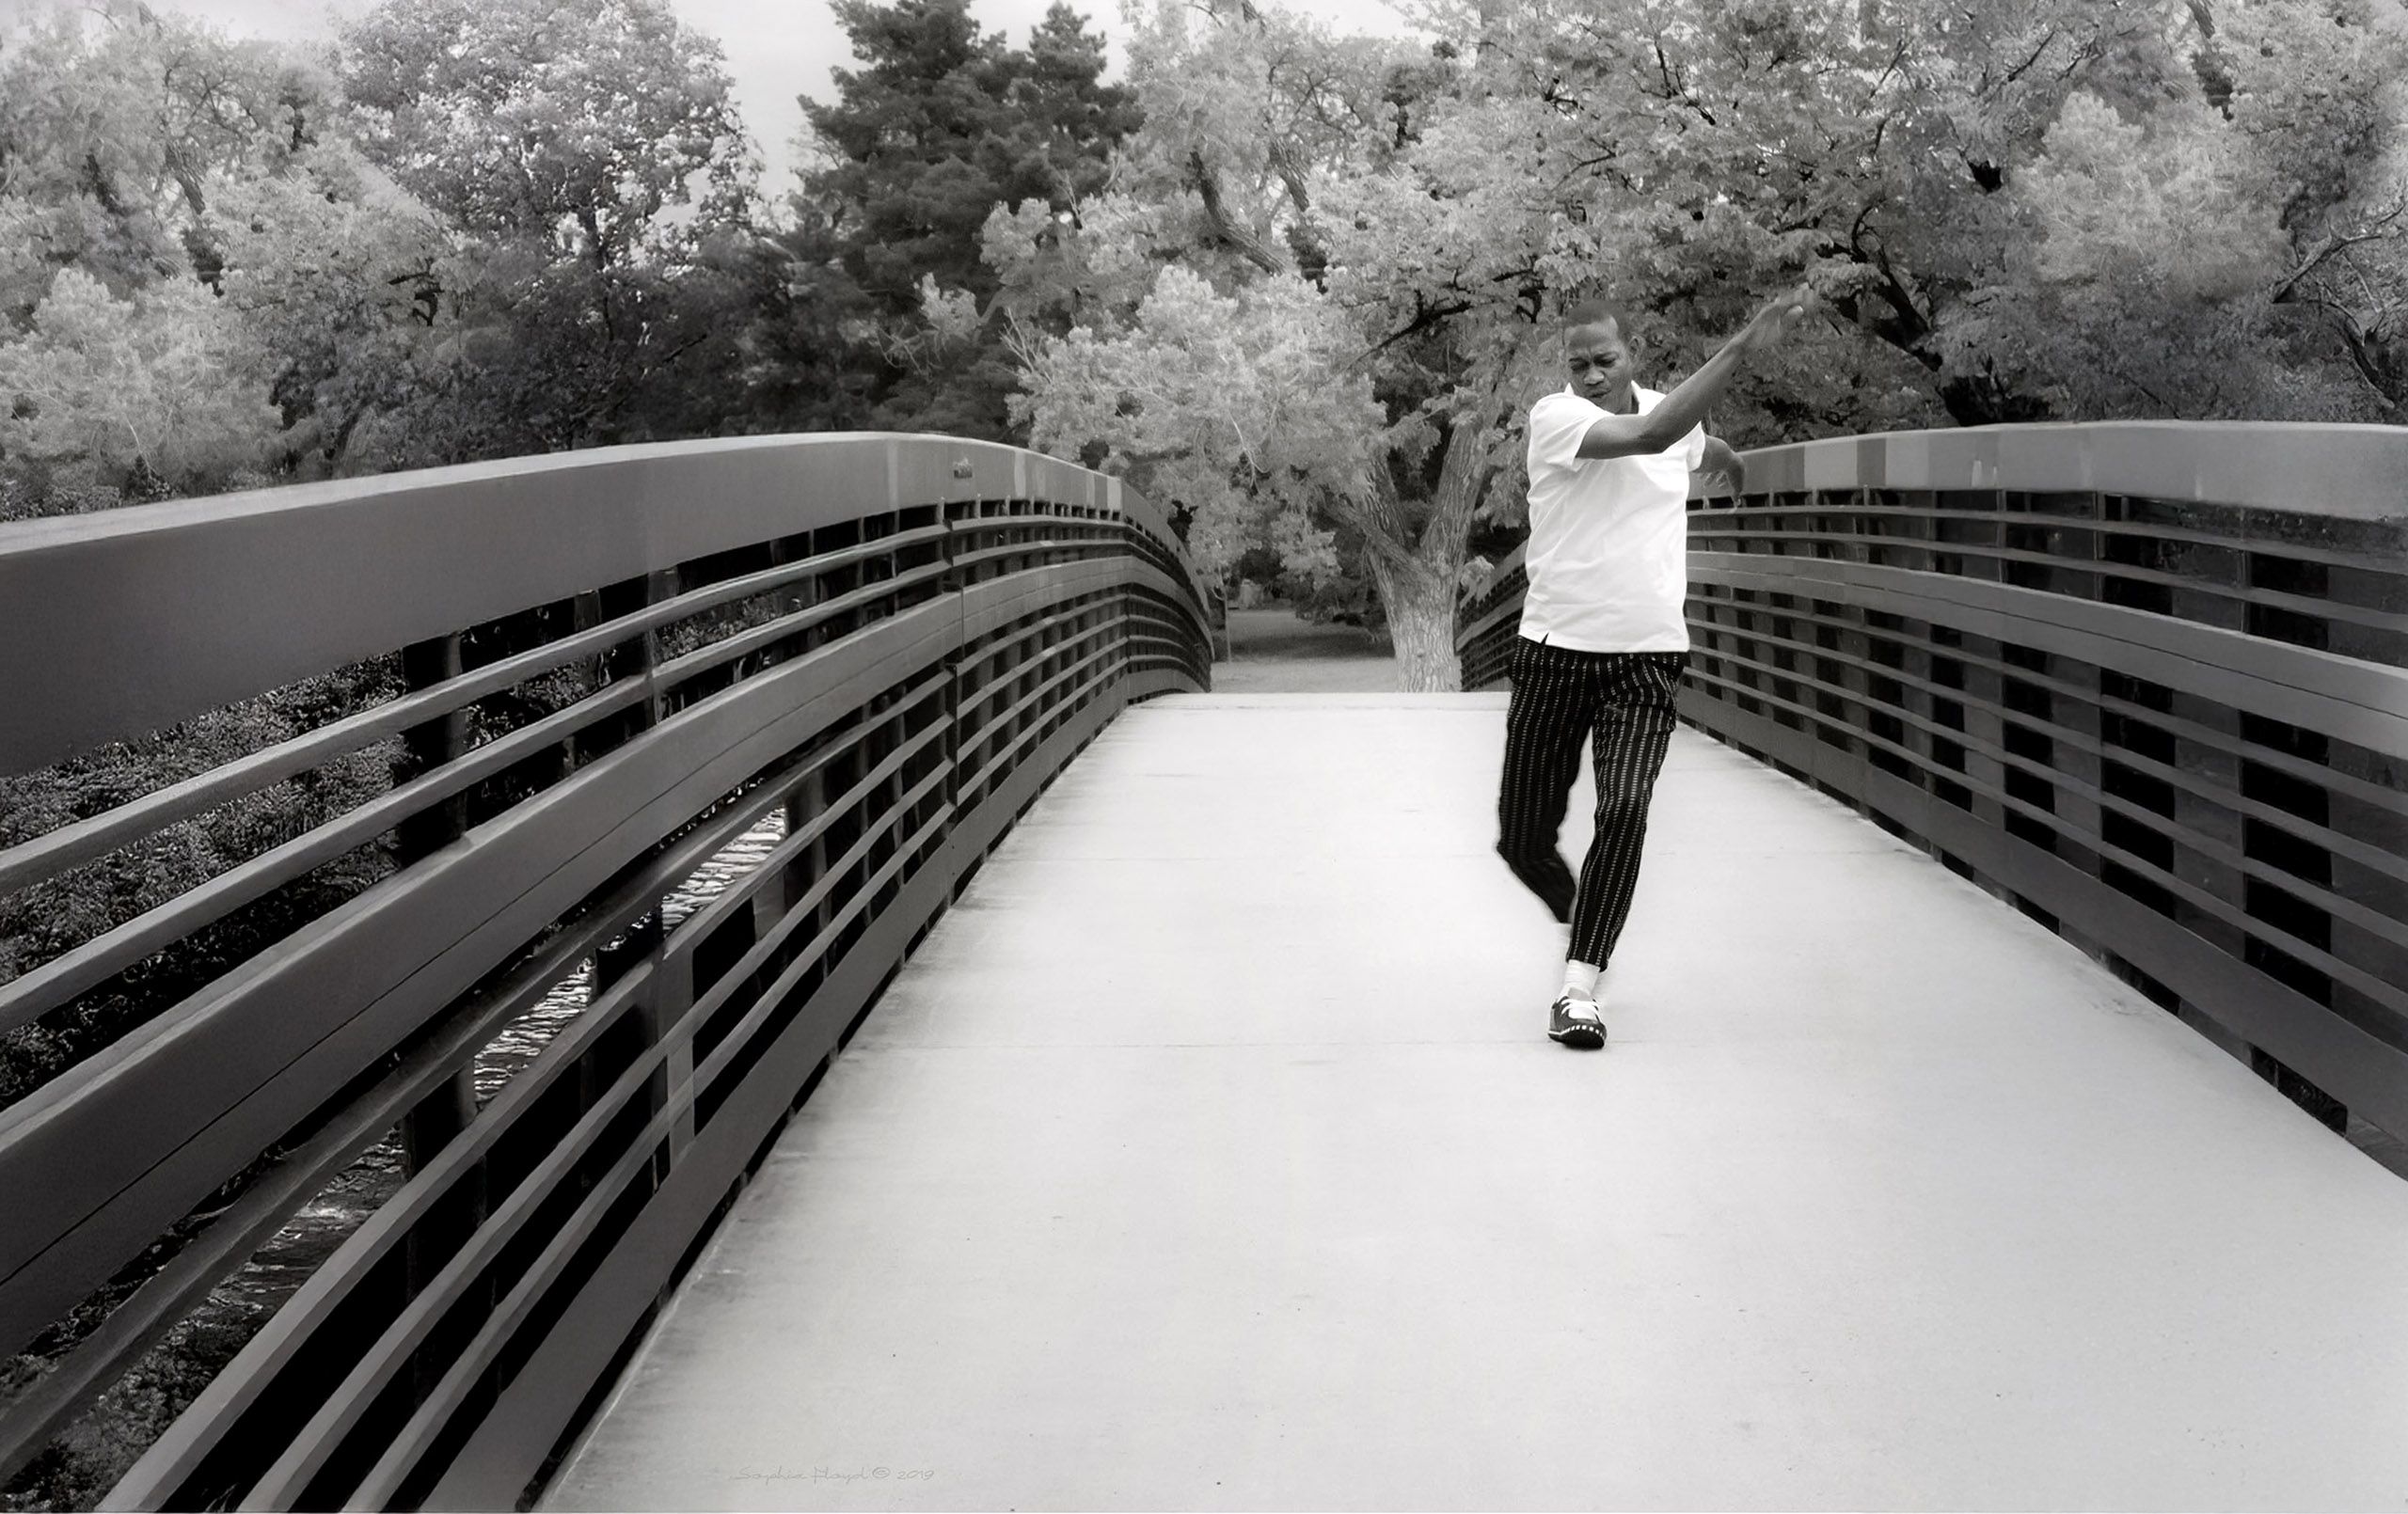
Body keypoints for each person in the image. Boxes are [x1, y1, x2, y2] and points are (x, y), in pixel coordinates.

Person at [1498, 290, 1810, 1049]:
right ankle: (1586, 913)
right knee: (1521, 838)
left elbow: (1696, 443)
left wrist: (1732, 463)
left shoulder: (1679, 416)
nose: (1594, 376)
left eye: (1607, 360)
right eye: (1580, 365)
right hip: (1555, 656)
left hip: (1646, 658)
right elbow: (1654, 433)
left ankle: (1581, 984)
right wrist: (1739, 347)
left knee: (1627, 808)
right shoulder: (1558, 419)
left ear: (1632, 353)